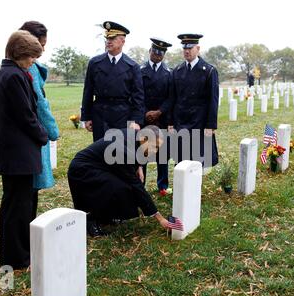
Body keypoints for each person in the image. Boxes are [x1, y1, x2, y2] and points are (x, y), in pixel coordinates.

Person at [0, 30, 48, 269]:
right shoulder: (14, 76)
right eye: (31, 57)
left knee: (13, 205)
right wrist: (43, 135)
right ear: (19, 53)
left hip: (13, 152)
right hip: (19, 153)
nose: (32, 62)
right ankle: (17, 257)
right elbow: (26, 115)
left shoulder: (5, 73)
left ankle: (14, 253)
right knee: (18, 208)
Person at [68, 127, 172, 237]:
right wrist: (159, 218)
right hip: (83, 171)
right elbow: (136, 185)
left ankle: (106, 216)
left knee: (122, 187)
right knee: (118, 187)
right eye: (154, 146)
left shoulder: (136, 135)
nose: (154, 151)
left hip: (99, 167)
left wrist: (139, 167)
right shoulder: (123, 151)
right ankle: (90, 220)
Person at [81, 21, 144, 141]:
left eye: (113, 38)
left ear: (123, 41)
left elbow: (138, 97)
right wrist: (87, 116)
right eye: (107, 38)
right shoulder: (95, 63)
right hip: (100, 114)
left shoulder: (132, 66)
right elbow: (88, 92)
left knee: (119, 154)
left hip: (122, 115)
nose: (108, 41)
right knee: (100, 152)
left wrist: (135, 121)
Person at [168, 34, 219, 168]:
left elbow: (213, 100)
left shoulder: (208, 71)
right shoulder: (177, 71)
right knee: (181, 159)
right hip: (181, 122)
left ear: (198, 48)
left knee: (198, 160)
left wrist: (210, 125)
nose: (187, 51)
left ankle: (194, 188)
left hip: (199, 122)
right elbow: (173, 98)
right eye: (184, 48)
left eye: (190, 48)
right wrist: (171, 122)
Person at [20, 21, 60, 191]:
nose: (43, 50)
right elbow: (40, 103)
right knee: (28, 192)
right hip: (32, 134)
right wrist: (52, 131)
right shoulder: (31, 68)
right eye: (41, 45)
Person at [140, 38, 173, 195]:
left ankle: (163, 186)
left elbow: (171, 97)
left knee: (162, 154)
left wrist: (159, 112)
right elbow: (137, 95)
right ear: (149, 51)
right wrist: (146, 113)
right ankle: (141, 184)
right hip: (144, 117)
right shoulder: (139, 71)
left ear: (164, 55)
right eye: (154, 51)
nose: (157, 55)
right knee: (143, 152)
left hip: (162, 118)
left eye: (161, 52)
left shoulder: (169, 73)